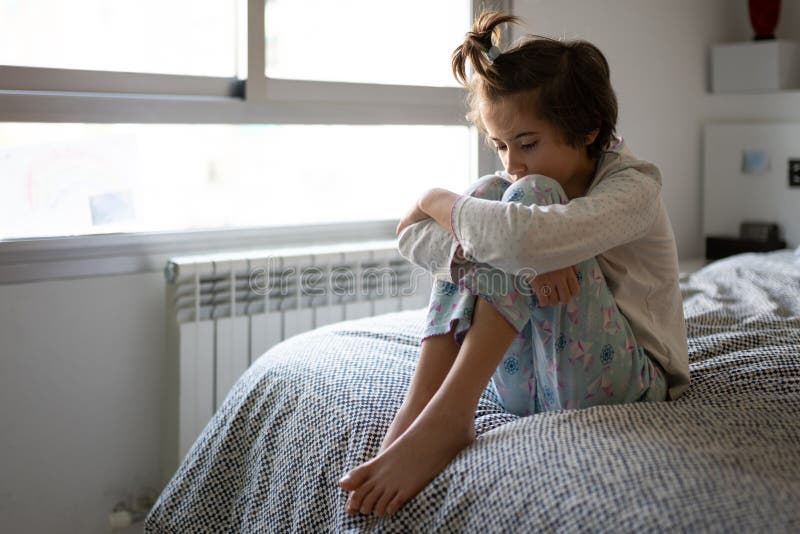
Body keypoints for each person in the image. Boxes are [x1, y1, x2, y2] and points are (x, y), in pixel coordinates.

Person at [337, 10, 689, 518]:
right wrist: (523, 260)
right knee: (490, 197)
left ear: (589, 131)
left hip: (630, 383)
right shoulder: (515, 189)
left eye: (526, 144)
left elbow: (509, 234)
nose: (511, 161)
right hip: (528, 384)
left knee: (517, 201)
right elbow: (412, 238)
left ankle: (452, 412)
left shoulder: (634, 187)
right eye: (500, 145)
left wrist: (434, 198)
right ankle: (419, 412)